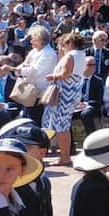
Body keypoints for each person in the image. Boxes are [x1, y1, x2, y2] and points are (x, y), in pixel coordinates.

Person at [40, 33, 84, 167]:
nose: (61, 47)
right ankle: (64, 156)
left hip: (64, 94)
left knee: (60, 127)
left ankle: (64, 157)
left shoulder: (71, 55)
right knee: (61, 125)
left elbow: (65, 74)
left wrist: (52, 76)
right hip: (71, 94)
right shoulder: (80, 55)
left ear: (70, 43)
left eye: (63, 44)